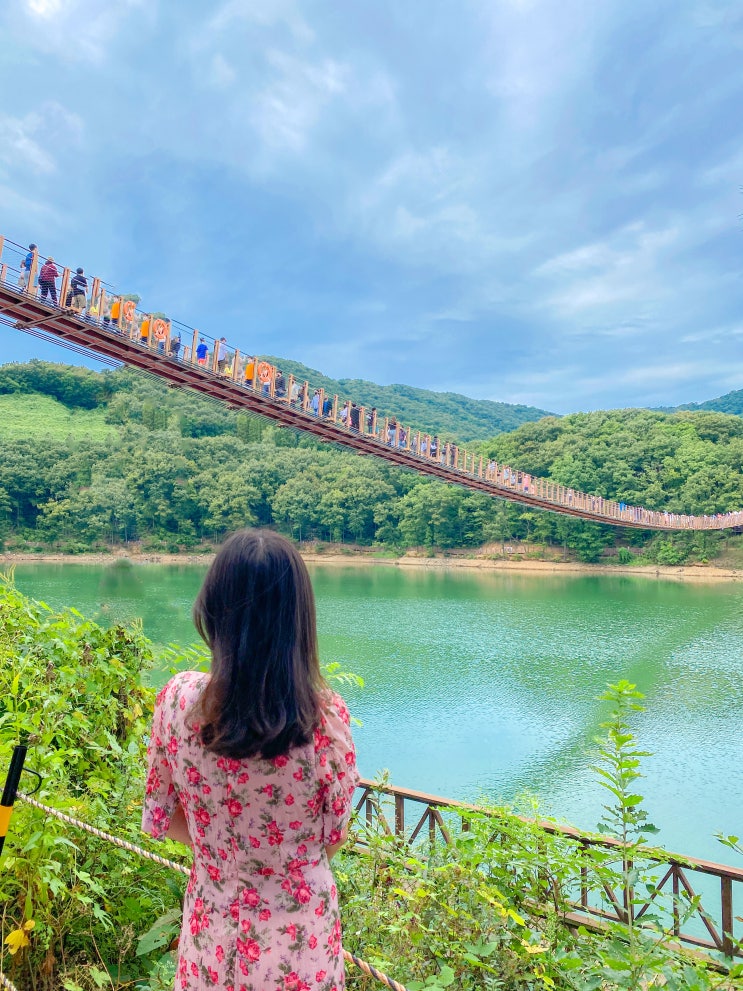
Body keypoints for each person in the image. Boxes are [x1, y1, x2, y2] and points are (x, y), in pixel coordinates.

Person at [142, 529, 359, 991]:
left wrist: (222, 857)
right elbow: (333, 837)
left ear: (213, 610)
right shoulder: (324, 719)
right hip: (300, 951)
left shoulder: (177, 701)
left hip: (209, 939)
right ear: (298, 619)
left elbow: (164, 816)